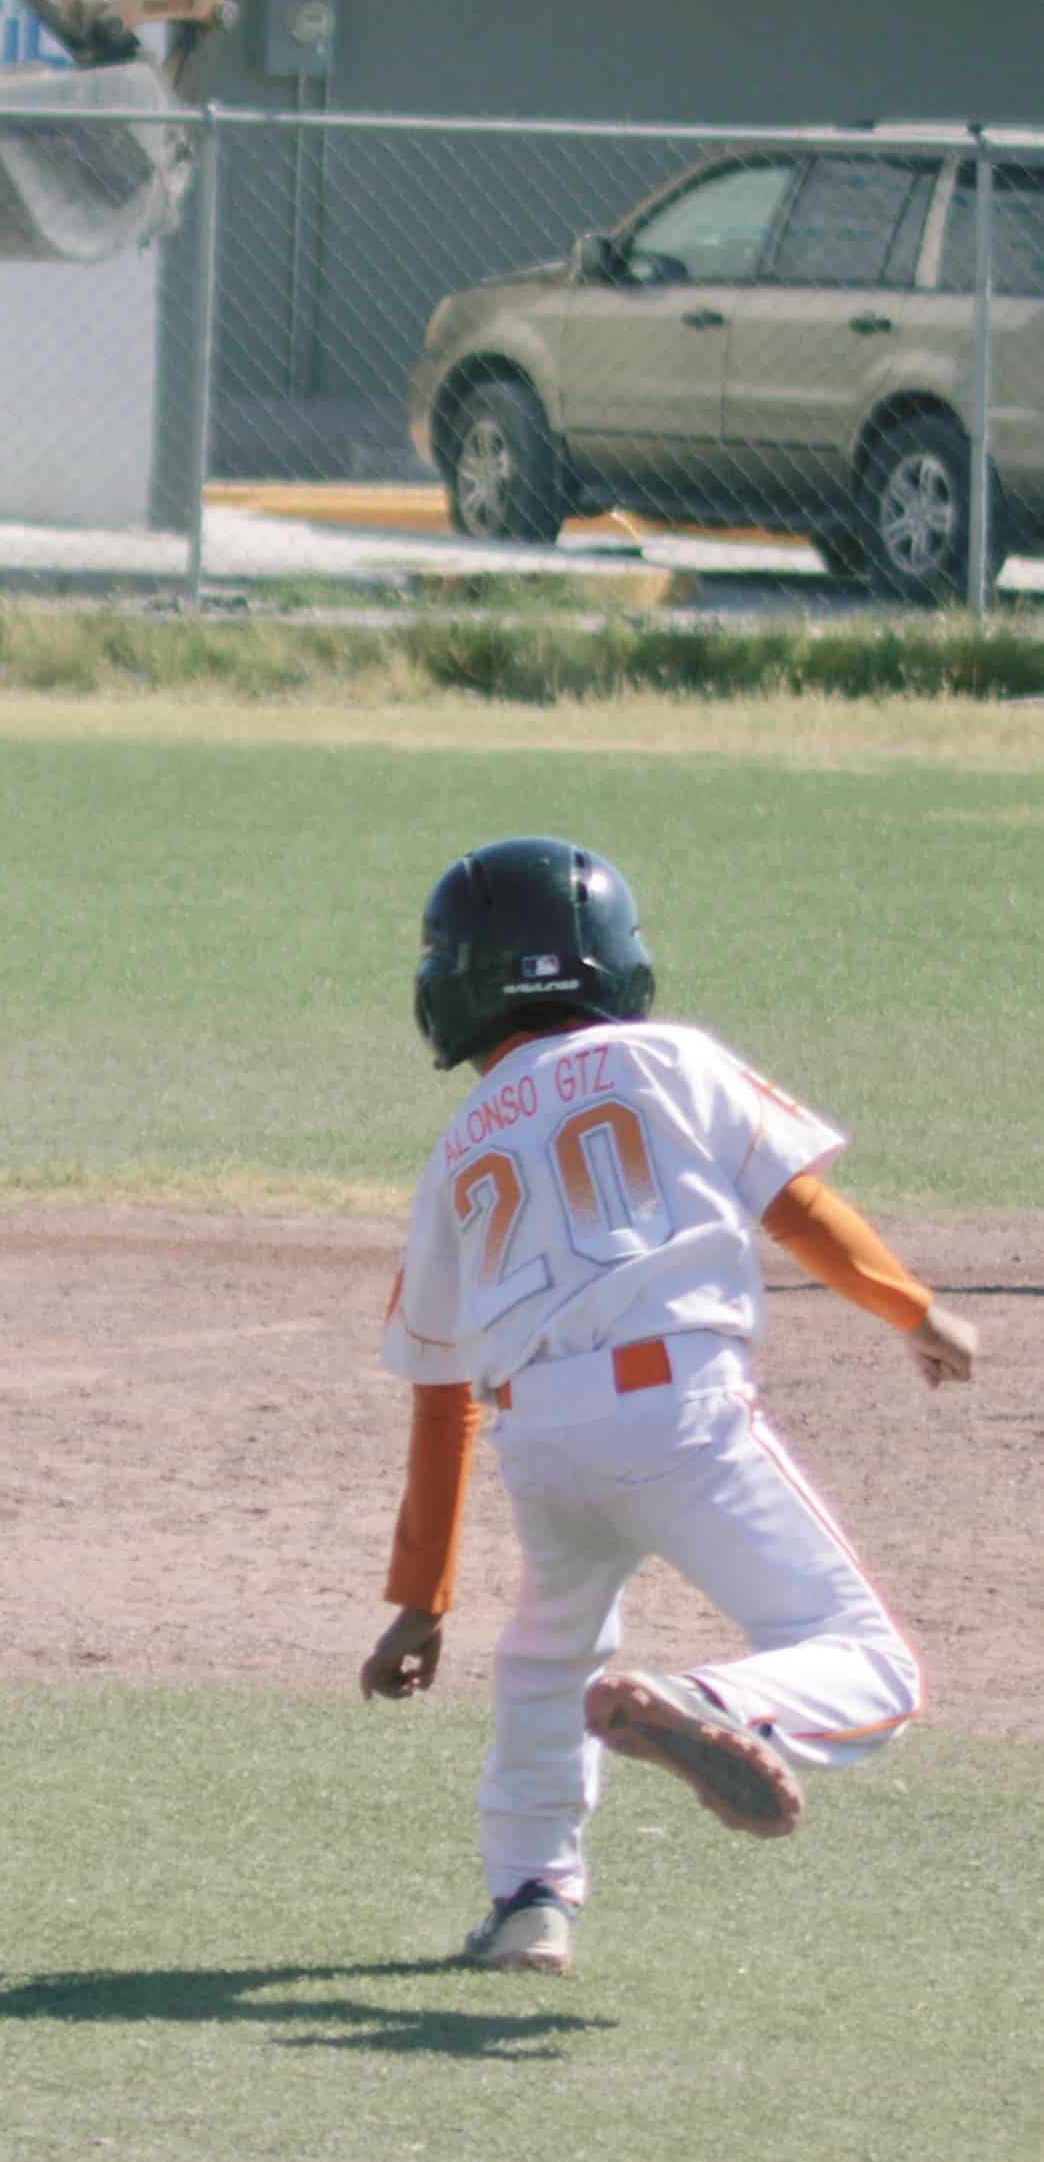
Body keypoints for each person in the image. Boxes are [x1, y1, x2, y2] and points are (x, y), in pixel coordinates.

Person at [362, 836, 978, 1975]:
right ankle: (707, 1702)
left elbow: (441, 1393)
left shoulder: (456, 1150)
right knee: (866, 1665)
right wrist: (910, 1310)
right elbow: (792, 1208)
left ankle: (528, 1901)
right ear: (608, 959)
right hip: (677, 1410)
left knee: (545, 1659)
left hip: (536, 1437)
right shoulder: (669, 1058)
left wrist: (420, 1599)